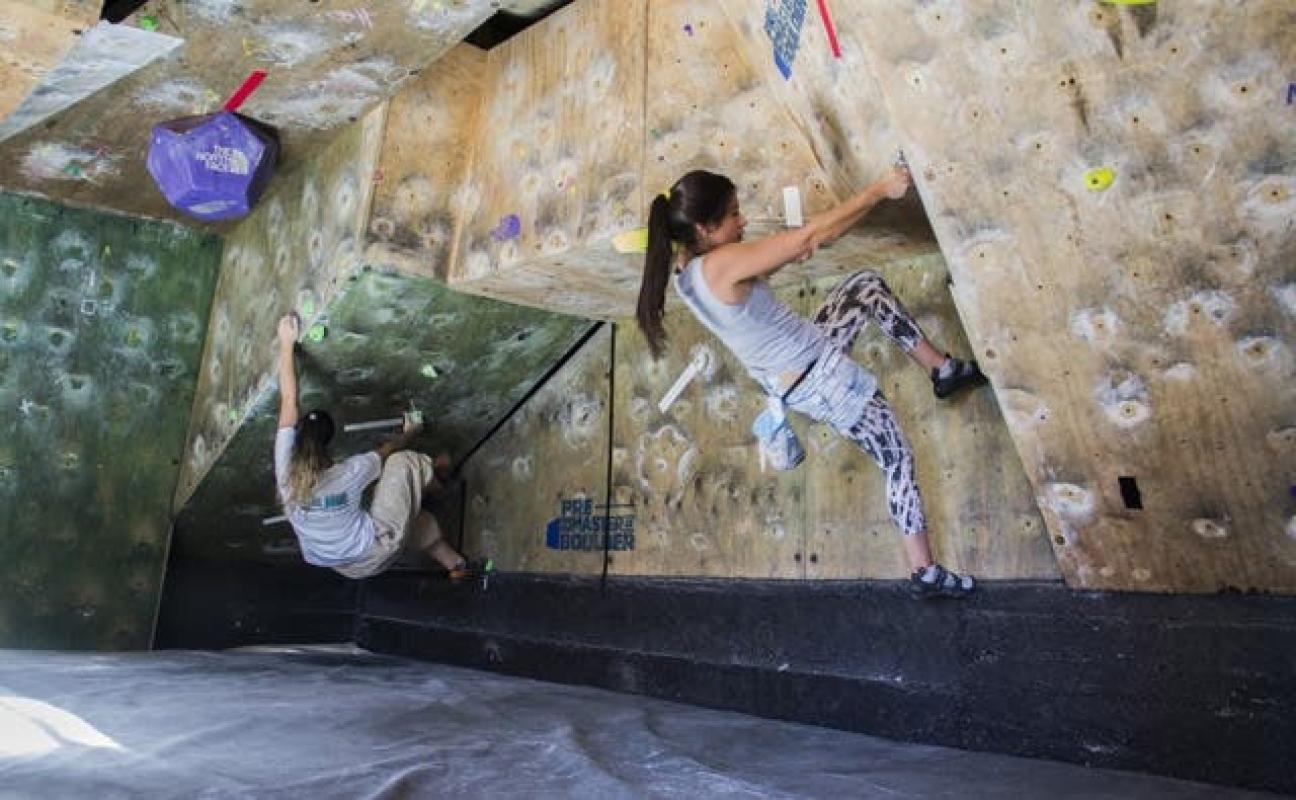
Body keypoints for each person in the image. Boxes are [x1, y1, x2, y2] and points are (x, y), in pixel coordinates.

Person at [636, 167, 986, 598]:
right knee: (896, 457)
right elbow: (809, 238)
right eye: (733, 215)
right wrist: (881, 190)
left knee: (865, 287)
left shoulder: (685, 268)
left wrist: (783, 255)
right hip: (821, 380)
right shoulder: (720, 264)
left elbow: (749, 287)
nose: (743, 221)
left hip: (804, 359)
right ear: (704, 228)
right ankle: (925, 572)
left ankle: (941, 370)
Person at [274, 313, 477, 580]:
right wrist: (411, 432)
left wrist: (285, 345)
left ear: (298, 439)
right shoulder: (348, 474)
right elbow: (387, 452)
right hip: (376, 547)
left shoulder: (285, 473)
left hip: (345, 566)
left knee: (398, 512)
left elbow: (288, 401)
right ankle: (437, 479)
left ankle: (456, 566)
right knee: (401, 464)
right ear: (327, 448)